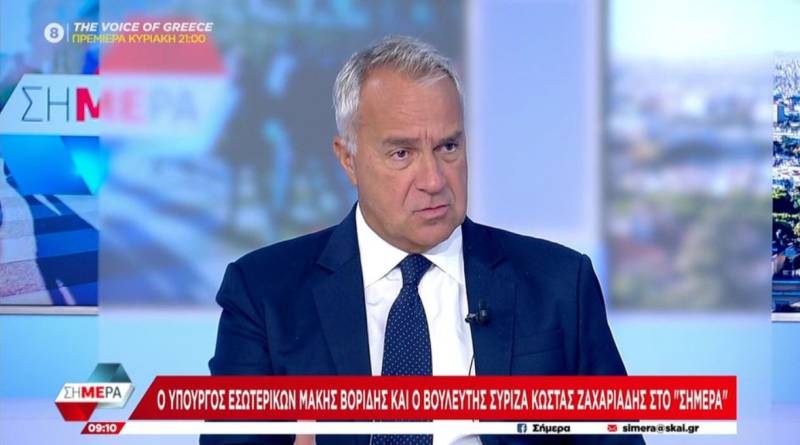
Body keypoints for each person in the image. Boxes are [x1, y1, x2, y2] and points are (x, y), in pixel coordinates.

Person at [204, 36, 643, 445]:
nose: (433, 180)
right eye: (402, 153)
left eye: (448, 147)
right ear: (348, 159)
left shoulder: (559, 285)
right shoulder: (264, 293)